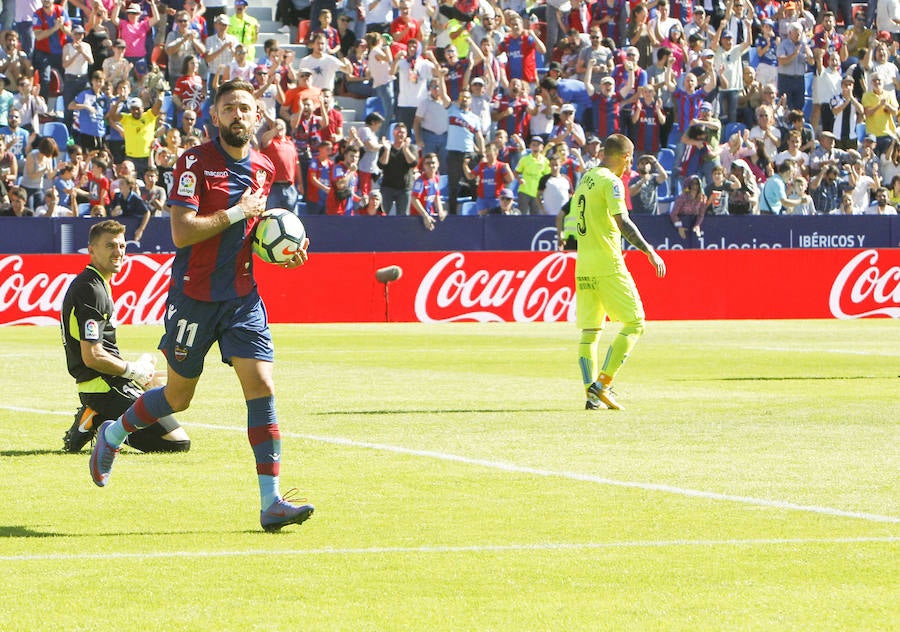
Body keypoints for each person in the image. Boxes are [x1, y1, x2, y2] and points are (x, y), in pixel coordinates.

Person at [88, 80, 315, 534]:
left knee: (262, 385)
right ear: (214, 116)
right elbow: (182, 233)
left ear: (256, 116)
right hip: (194, 297)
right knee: (178, 398)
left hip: (242, 297)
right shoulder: (194, 163)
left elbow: (255, 233)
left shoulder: (265, 167)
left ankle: (271, 502)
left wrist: (283, 252)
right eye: (228, 108)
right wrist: (235, 212)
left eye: (245, 109)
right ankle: (112, 434)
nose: (237, 115)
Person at [61, 220, 191, 454]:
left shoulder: (98, 284)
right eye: (110, 246)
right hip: (102, 387)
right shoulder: (91, 289)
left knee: (162, 399)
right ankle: (99, 419)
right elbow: (92, 357)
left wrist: (139, 370)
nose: (118, 252)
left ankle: (99, 415)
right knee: (177, 443)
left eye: (121, 246)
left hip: (111, 381)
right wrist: (133, 370)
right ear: (91, 250)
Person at [571, 134, 666, 411]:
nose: (631, 164)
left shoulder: (586, 179)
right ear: (625, 156)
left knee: (590, 333)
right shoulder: (611, 182)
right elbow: (622, 220)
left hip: (583, 264)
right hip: (607, 263)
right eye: (631, 157)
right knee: (635, 322)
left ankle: (591, 394)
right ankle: (602, 384)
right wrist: (648, 250)